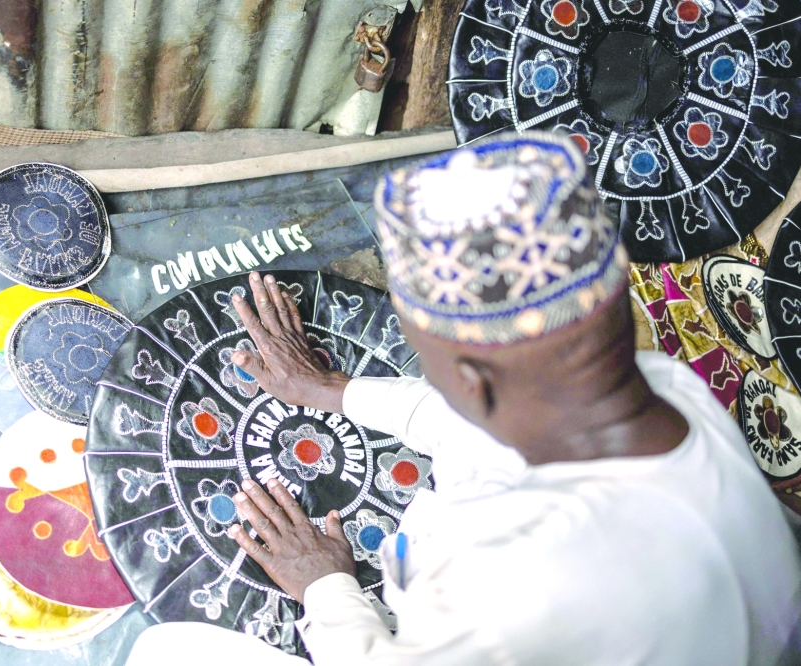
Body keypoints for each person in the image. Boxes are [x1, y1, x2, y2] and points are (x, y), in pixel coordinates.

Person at [127, 131, 801, 665]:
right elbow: (464, 429)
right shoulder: (660, 388)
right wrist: (335, 391)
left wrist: (322, 585)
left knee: (166, 653)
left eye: (429, 355)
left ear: (475, 380)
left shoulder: (500, 586)